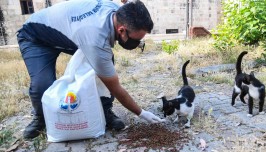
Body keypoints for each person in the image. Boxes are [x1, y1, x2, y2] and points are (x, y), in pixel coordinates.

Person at [17, 0, 165, 139]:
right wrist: (141, 113)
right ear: (121, 30)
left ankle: (105, 110)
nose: (137, 43)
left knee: (105, 61)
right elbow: (115, 87)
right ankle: (41, 118)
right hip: (35, 36)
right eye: (136, 39)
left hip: (70, 32)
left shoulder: (117, 10)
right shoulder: (95, 40)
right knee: (42, 84)